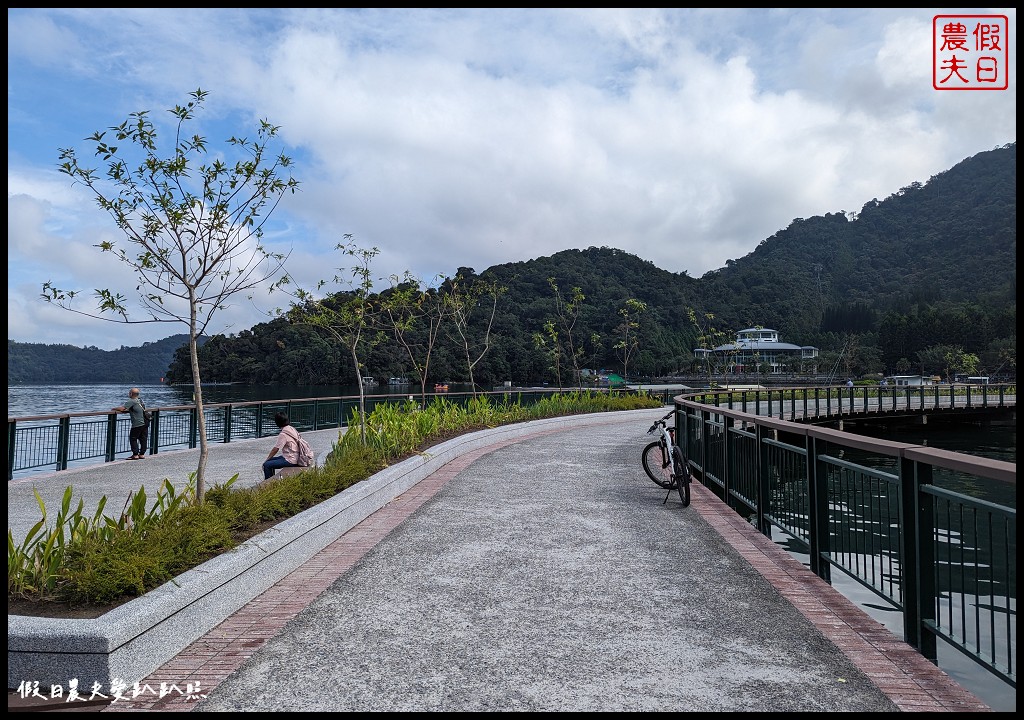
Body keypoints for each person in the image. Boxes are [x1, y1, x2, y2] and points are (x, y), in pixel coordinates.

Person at [263, 412, 303, 480]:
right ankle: (272, 480)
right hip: (296, 456)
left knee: (266, 465)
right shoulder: (291, 428)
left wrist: (267, 459)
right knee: (270, 462)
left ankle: (268, 483)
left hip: (291, 460)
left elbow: (275, 449)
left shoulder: (283, 434)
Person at [112, 387, 148, 460]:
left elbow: (123, 408)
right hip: (145, 422)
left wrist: (114, 409)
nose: (129, 394)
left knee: (133, 438)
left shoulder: (132, 401)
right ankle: (142, 454)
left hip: (137, 423)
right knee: (143, 438)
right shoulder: (140, 401)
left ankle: (135, 455)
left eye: (129, 392)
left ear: (131, 394)